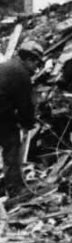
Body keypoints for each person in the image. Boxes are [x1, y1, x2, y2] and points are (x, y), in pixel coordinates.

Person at [0, 40, 39, 197]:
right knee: (12, 145)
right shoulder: (21, 74)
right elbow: (25, 106)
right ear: (29, 60)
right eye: (36, 63)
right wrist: (28, 123)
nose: (37, 68)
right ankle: (15, 188)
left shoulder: (7, 66)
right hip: (1, 116)